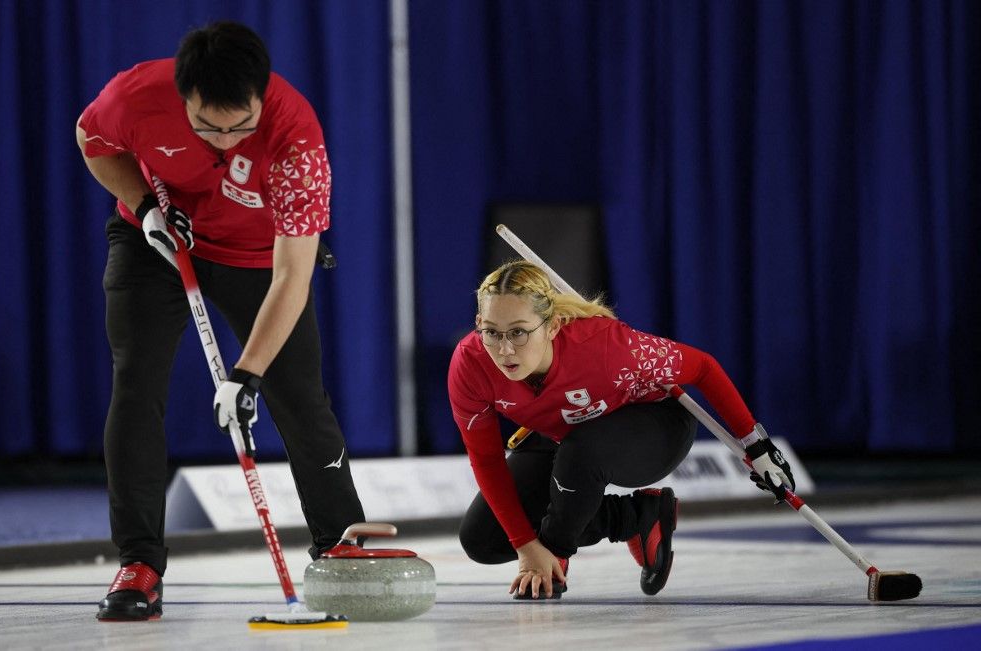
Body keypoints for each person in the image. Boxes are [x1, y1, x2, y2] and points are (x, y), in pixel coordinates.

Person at [75, 21, 365, 621]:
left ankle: (339, 545)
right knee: (136, 385)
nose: (228, 141)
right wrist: (146, 208)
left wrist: (245, 375)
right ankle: (139, 565)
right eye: (208, 126)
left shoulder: (296, 135)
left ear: (262, 96)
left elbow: (292, 277)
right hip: (156, 240)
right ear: (183, 97)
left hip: (258, 257)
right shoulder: (135, 96)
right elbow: (91, 139)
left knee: (298, 396)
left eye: (242, 126)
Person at [448, 260, 795, 599]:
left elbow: (703, 368)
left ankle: (555, 558)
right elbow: (487, 460)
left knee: (580, 453)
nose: (505, 350)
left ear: (552, 327)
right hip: (563, 431)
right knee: (483, 539)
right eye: (491, 332)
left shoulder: (607, 347)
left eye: (519, 332)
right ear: (479, 324)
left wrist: (756, 445)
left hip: (654, 424)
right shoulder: (471, 364)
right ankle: (636, 517)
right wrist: (525, 545)